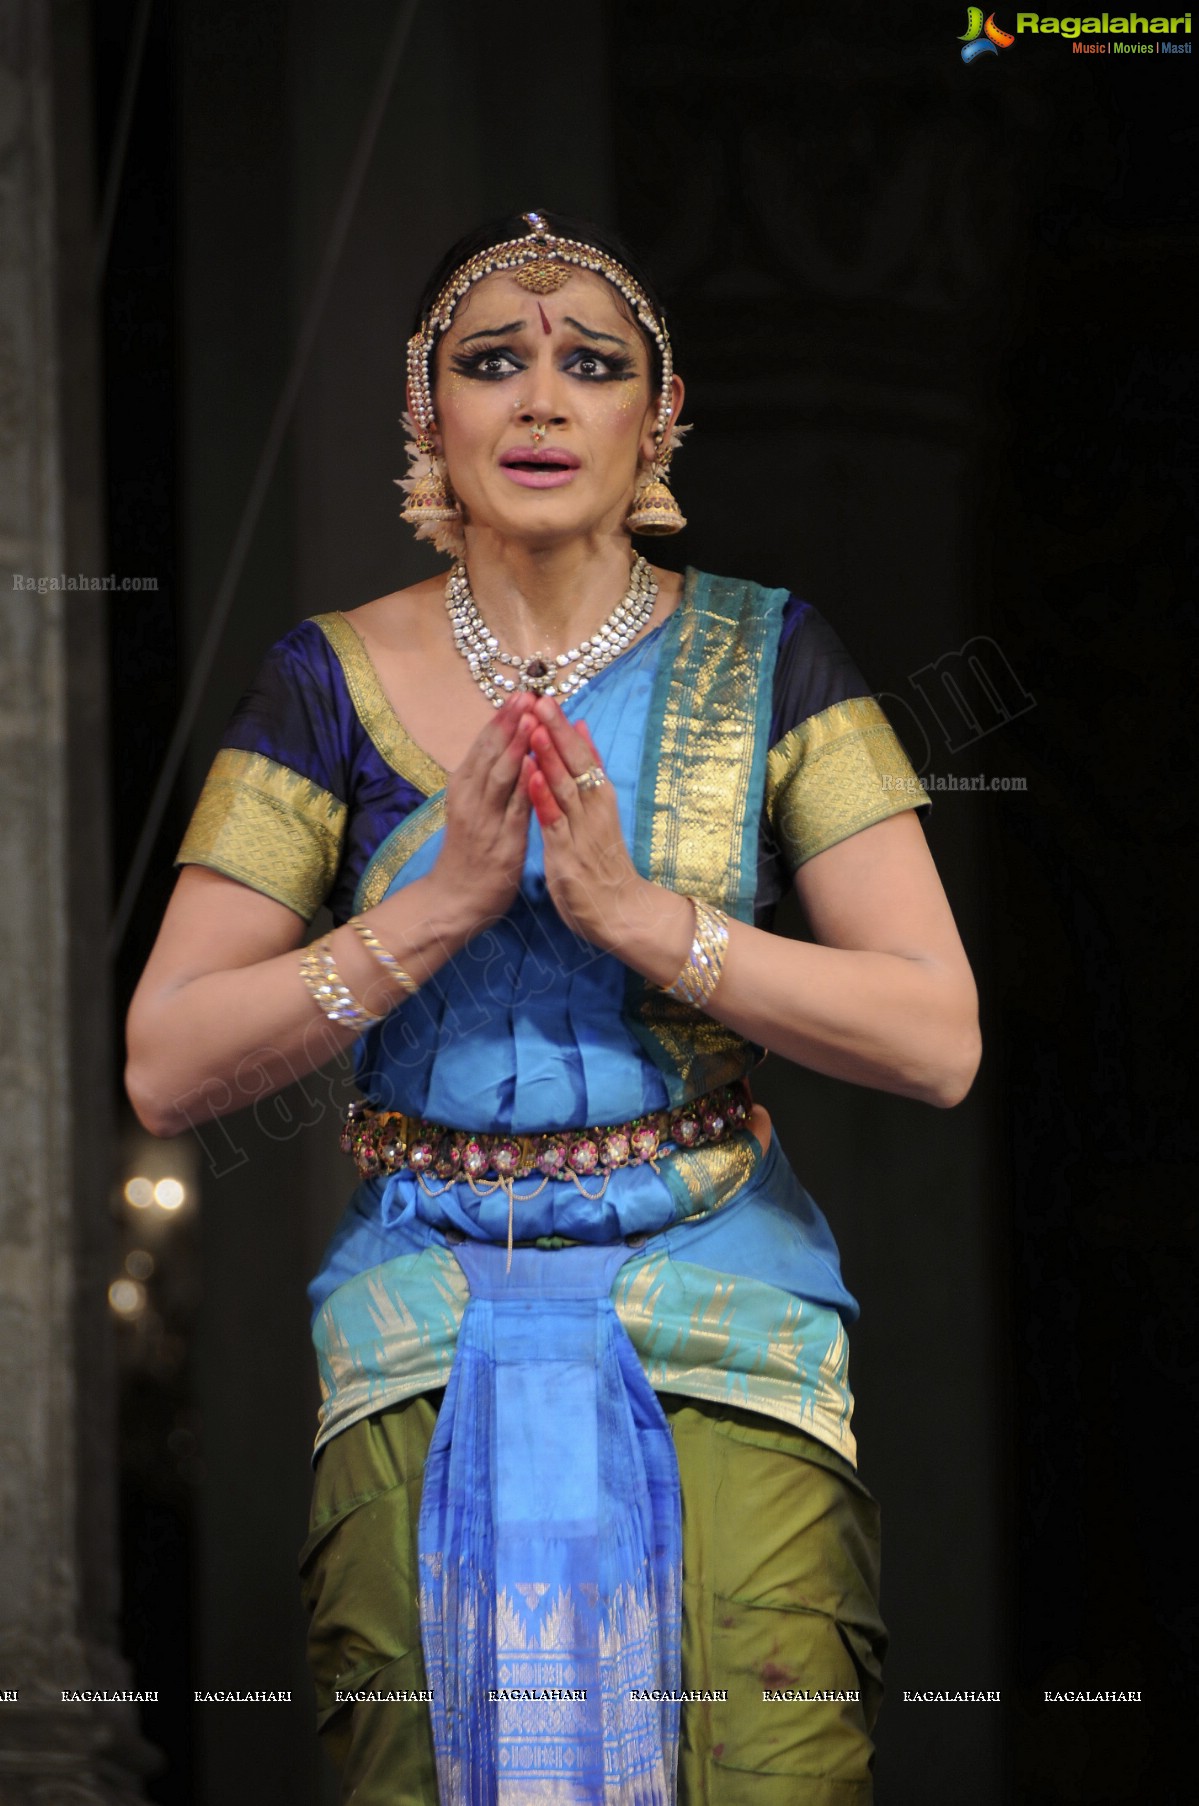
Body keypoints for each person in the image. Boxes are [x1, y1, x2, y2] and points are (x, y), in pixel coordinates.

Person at [126, 210, 981, 1805]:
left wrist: (639, 919)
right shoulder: (324, 683)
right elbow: (169, 1057)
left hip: (728, 1323)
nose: (539, 400)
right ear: (422, 414)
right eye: (491, 361)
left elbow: (936, 1033)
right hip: (420, 1329)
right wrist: (438, 906)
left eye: (591, 364)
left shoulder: (774, 652)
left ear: (658, 418)